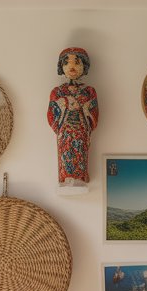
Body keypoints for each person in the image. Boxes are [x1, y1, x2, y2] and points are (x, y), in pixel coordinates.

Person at [47, 47, 99, 189]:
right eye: (67, 63)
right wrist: (64, 103)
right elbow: (51, 115)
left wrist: (84, 107)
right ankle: (65, 178)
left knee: (81, 153)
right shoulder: (57, 92)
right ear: (61, 67)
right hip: (64, 132)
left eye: (77, 62)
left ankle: (81, 177)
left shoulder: (89, 91)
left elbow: (94, 114)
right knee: (65, 155)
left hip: (81, 130)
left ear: (84, 66)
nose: (72, 66)